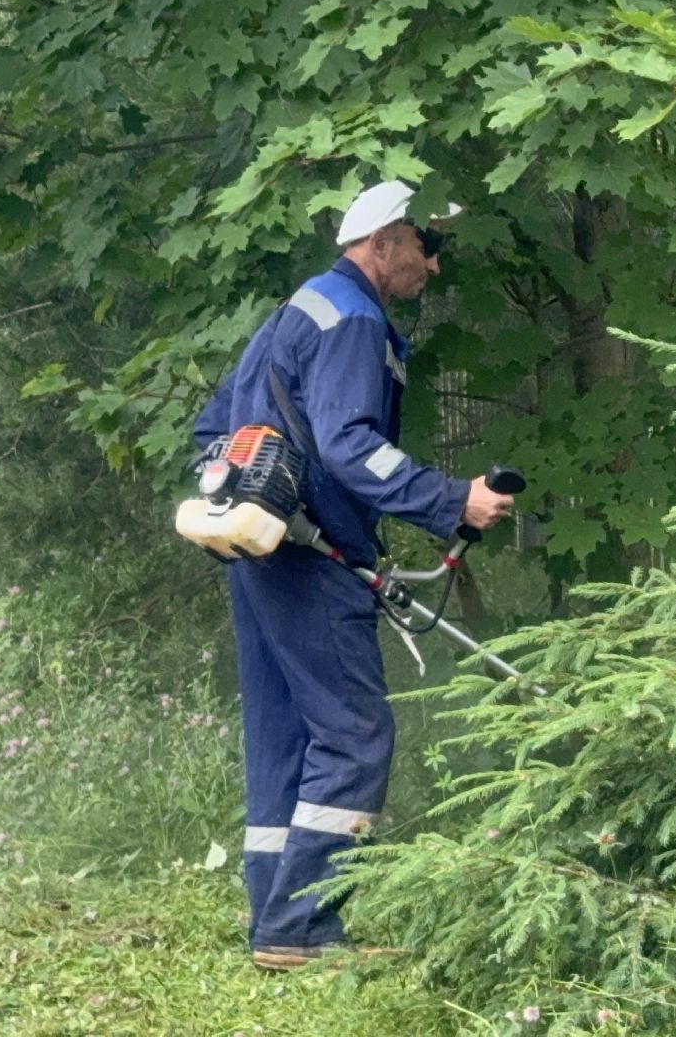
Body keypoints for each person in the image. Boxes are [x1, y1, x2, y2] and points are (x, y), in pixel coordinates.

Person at [192, 180, 514, 971]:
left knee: (286, 737)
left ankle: (276, 923)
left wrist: (241, 494)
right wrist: (453, 501)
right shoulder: (356, 319)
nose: (432, 267)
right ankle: (304, 929)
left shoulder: (297, 309)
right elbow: (348, 447)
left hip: (258, 549)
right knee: (354, 733)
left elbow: (214, 426)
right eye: (425, 247)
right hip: (311, 559)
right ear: (383, 242)